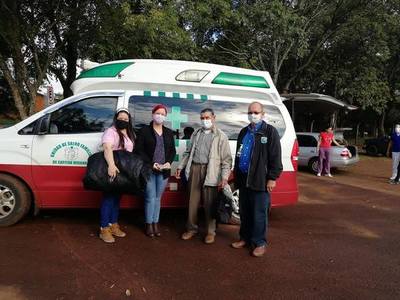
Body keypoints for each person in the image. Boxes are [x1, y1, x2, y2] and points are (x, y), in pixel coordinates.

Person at [231, 102, 282, 257]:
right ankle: (244, 238)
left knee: (259, 214)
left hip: (260, 180)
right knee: (245, 212)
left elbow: (275, 158)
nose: (253, 115)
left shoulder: (270, 132)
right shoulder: (243, 132)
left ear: (262, 113)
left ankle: (260, 242)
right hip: (243, 179)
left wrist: (272, 178)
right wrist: (236, 172)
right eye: (250, 112)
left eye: (256, 112)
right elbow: (239, 155)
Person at [176, 108, 232, 244]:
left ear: (214, 117)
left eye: (207, 117)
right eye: (202, 118)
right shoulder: (196, 133)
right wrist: (180, 167)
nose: (205, 120)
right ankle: (191, 229)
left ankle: (210, 232)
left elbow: (226, 160)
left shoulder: (221, 136)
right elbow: (188, 152)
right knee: (192, 202)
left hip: (211, 171)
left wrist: (224, 177)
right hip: (195, 168)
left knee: (210, 204)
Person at [135, 104, 176, 237]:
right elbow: (139, 150)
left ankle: (155, 223)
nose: (160, 116)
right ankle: (148, 224)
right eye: (158, 113)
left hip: (164, 171)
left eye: (163, 114)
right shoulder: (144, 131)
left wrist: (169, 162)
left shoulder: (169, 132)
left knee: (158, 198)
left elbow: (172, 151)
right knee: (150, 198)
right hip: (149, 169)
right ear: (153, 114)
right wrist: (152, 164)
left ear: (165, 116)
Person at [99, 108, 136, 243]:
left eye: (126, 119)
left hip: (124, 171)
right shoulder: (111, 131)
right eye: (121, 118)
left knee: (116, 199)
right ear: (116, 118)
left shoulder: (129, 133)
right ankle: (104, 229)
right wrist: (111, 165)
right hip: (113, 168)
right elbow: (107, 148)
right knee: (108, 198)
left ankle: (113, 225)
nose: (123, 121)